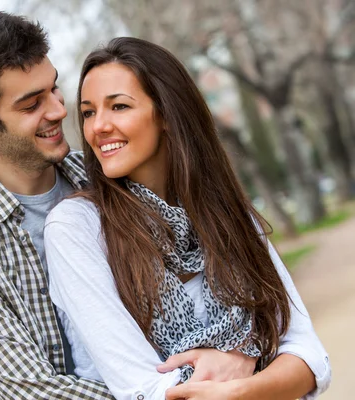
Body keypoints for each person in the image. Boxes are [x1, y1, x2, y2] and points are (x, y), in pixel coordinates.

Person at [43, 37, 331, 400]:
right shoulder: (77, 228)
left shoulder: (226, 216)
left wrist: (239, 381)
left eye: (118, 106)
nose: (98, 126)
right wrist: (248, 356)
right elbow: (146, 390)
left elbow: (310, 358)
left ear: (165, 113)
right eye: (88, 112)